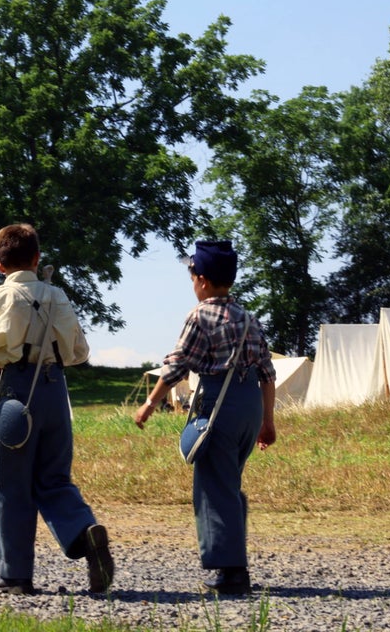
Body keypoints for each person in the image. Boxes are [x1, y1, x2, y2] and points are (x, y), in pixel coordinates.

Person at [0, 223, 114, 596]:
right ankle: (81, 530)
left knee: (12, 485)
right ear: (37, 258)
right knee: (55, 478)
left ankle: (15, 575)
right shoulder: (57, 295)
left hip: (16, 391)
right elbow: (80, 354)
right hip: (56, 391)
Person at [133, 240, 277, 595]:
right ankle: (233, 562)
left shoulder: (200, 316)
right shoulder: (248, 317)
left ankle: (232, 573)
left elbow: (176, 367)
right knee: (228, 483)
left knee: (214, 486)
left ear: (201, 280)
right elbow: (268, 372)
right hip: (249, 406)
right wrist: (268, 421)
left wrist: (150, 404)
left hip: (220, 404)